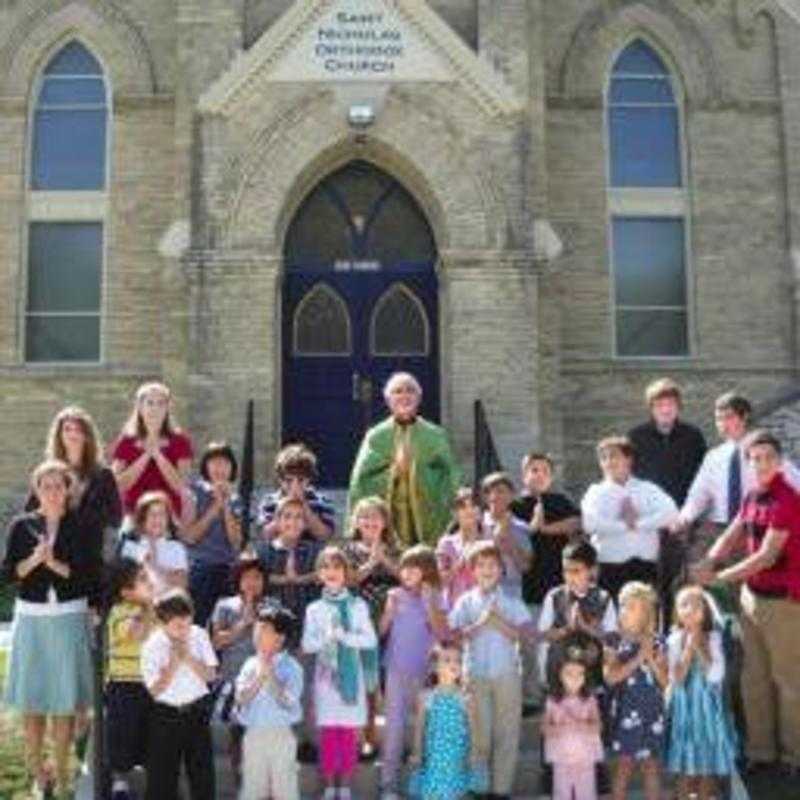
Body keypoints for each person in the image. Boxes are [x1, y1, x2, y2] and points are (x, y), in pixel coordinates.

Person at [692, 429, 800, 774]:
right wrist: (708, 560)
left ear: (780, 461)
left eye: (769, 457)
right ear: (749, 463)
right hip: (752, 599)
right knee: (753, 677)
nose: (763, 463)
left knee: (788, 680)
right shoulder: (753, 494)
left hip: (784, 604)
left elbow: (767, 556)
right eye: (756, 458)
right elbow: (731, 532)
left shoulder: (788, 499)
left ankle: (793, 756)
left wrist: (718, 577)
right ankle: (761, 751)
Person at [3, 460, 94, 799]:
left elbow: (87, 575)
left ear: (67, 489)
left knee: (64, 699)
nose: (53, 492)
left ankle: (64, 773)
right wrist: (34, 561)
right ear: (37, 489)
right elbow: (9, 575)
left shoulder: (80, 525)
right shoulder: (21, 526)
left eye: (59, 486)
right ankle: (39, 776)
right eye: (47, 486)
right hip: (31, 617)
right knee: (33, 699)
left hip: (69, 617)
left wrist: (54, 563)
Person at [448, 541, 532, 800]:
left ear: (501, 570)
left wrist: (500, 621)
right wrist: (483, 621)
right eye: (481, 565)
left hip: (507, 673)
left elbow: (525, 635)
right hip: (475, 674)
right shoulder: (465, 601)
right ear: (472, 570)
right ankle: (478, 787)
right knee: (479, 733)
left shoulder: (512, 600)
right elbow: (454, 635)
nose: (487, 570)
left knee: (507, 733)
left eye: (493, 565)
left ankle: (501, 790)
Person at [348, 372, 461, 548]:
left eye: (410, 391)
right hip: (389, 514)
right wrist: (394, 473)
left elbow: (450, 475)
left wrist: (418, 472)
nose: (404, 396)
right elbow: (362, 479)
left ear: (419, 398)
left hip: (427, 516)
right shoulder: (376, 436)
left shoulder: (435, 435)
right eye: (398, 391)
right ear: (388, 399)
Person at [627, 380, 707, 630]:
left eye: (670, 404)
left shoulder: (693, 437)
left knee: (678, 582)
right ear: (651, 408)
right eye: (660, 404)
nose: (665, 409)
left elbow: (702, 480)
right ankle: (648, 637)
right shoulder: (635, 437)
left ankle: (677, 633)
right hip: (648, 524)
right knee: (648, 582)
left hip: (682, 523)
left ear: (678, 407)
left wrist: (688, 517)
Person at [301, 546, 379, 800]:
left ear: (346, 572)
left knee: (347, 733)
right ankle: (329, 787)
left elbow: (369, 640)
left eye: (337, 567)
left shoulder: (357, 606)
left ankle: (344, 786)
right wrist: (325, 639)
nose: (331, 572)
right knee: (328, 734)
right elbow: (306, 644)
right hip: (325, 679)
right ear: (319, 573)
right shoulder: (314, 609)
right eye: (325, 567)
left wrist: (345, 636)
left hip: (350, 678)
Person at [27, 405, 123, 599]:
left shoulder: (103, 475)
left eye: (78, 429)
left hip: (90, 555)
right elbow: (30, 513)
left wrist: (86, 517)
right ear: (59, 435)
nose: (73, 434)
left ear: (87, 435)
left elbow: (116, 517)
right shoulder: (47, 472)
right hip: (56, 551)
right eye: (67, 429)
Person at [510, 452, 580, 712]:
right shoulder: (516, 504)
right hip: (525, 587)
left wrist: (545, 528)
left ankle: (558, 693)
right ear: (524, 474)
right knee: (527, 647)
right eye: (532, 470)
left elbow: (576, 522)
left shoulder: (560, 501)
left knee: (557, 646)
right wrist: (531, 527)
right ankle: (530, 697)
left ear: (550, 476)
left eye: (542, 470)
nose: (537, 474)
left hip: (556, 587)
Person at [257, 495, 322, 762]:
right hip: (276, 632)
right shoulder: (266, 550)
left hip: (305, 630)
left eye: (298, 517)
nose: (293, 522)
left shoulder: (313, 551)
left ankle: (305, 741)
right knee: (276, 686)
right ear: (278, 521)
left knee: (304, 688)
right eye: (287, 516)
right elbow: (259, 578)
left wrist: (300, 578)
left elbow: (321, 577)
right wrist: (290, 579)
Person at [379, 545, 448, 799]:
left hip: (425, 672)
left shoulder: (436, 596)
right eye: (403, 567)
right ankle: (388, 785)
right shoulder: (395, 594)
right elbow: (381, 631)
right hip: (396, 670)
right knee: (394, 728)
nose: (406, 572)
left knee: (425, 729)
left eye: (413, 567)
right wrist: (388, 612)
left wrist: (430, 604)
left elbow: (442, 634)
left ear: (427, 571)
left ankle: (424, 783)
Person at [140, 588, 217, 800]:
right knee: (162, 780)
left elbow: (211, 675)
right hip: (166, 715)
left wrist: (189, 658)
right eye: (177, 625)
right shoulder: (152, 646)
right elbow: (154, 690)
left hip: (196, 712)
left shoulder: (199, 635)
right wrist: (173, 664)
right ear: (163, 623)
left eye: (187, 622)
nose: (184, 629)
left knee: (203, 777)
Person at [581, 436, 677, 601]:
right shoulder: (595, 492)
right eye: (604, 458)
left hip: (644, 567)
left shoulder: (647, 489)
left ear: (629, 459)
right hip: (610, 568)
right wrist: (625, 526)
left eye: (614, 456)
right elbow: (590, 523)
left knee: (646, 620)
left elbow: (671, 513)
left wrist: (639, 524)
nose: (609, 461)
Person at [664, 586, 736, 800]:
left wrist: (700, 648)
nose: (691, 609)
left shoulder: (713, 637)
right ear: (677, 612)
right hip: (685, 712)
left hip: (708, 713)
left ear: (706, 611)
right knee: (686, 768)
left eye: (697, 604)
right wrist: (688, 649)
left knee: (707, 767)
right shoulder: (675, 639)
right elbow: (675, 678)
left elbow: (715, 675)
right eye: (684, 604)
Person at [342, 495, 400, 759]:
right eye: (364, 516)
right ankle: (367, 738)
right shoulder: (349, 550)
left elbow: (406, 577)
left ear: (385, 522)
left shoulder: (395, 547)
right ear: (356, 522)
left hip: (394, 622)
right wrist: (371, 562)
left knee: (391, 685)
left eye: (375, 516)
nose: (370, 521)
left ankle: (392, 742)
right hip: (361, 622)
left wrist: (384, 559)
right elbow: (349, 580)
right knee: (367, 684)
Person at [603, 582, 668, 800]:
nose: (625, 611)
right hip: (624, 714)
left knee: (651, 768)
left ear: (646, 613)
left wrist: (650, 657)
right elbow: (611, 677)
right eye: (623, 605)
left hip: (652, 714)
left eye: (633, 607)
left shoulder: (658, 641)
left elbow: (666, 681)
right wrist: (639, 658)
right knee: (623, 767)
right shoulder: (613, 640)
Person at [235, 601, 304, 800]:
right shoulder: (249, 664)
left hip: (281, 735)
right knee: (252, 788)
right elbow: (241, 697)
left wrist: (271, 675)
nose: (257, 632)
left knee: (285, 788)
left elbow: (288, 701)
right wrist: (259, 676)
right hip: (253, 733)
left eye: (264, 628)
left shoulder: (292, 668)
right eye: (257, 627)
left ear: (280, 638)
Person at [210, 554, 265, 783]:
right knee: (237, 731)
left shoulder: (272, 607)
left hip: (261, 680)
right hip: (233, 677)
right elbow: (216, 641)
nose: (252, 582)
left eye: (257, 577)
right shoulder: (224, 605)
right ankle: (241, 781)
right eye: (247, 577)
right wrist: (242, 623)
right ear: (238, 580)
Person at [104, 558, 156, 800]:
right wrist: (146, 607)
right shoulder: (120, 611)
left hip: (152, 685)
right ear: (125, 591)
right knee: (122, 735)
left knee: (149, 736)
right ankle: (120, 786)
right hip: (124, 684)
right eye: (141, 580)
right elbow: (135, 634)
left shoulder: (155, 610)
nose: (148, 583)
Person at [538, 539, 617, 694]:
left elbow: (612, 639)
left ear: (592, 570)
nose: (570, 577)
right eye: (566, 571)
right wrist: (567, 629)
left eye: (576, 571)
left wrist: (585, 627)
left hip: (592, 679)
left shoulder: (603, 598)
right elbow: (543, 635)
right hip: (560, 679)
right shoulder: (554, 596)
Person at [407, 642, 484, 800]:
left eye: (458, 660)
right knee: (434, 791)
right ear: (436, 667)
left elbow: (473, 728)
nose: (453, 664)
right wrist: (417, 752)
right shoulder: (427, 697)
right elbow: (420, 727)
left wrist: (475, 752)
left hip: (457, 756)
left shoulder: (465, 698)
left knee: (455, 791)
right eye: (447, 660)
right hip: (434, 755)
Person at [111, 381, 193, 521]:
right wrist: (146, 454)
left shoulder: (180, 441)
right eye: (150, 403)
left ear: (167, 408)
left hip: (168, 517)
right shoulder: (126, 441)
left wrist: (158, 455)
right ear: (140, 407)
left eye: (161, 403)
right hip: (134, 515)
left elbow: (180, 485)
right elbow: (118, 485)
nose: (155, 408)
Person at [183, 441, 243, 625]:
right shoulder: (194, 491)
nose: (219, 468)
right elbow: (190, 537)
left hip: (228, 569)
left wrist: (225, 505)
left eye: (225, 463)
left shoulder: (236, 499)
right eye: (214, 462)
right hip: (201, 568)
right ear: (205, 466)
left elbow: (236, 542)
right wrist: (215, 506)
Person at [542, 652, 604, 800]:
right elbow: (544, 728)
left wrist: (581, 726)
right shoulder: (552, 701)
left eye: (580, 674)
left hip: (585, 757)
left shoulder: (589, 700)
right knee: (561, 792)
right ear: (559, 676)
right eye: (569, 674)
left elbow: (598, 726)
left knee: (586, 792)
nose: (575, 679)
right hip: (561, 757)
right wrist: (560, 729)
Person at [256, 443, 335, 542]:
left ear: (309, 479)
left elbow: (325, 536)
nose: (295, 486)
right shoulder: (269, 501)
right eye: (289, 481)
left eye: (300, 480)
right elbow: (265, 536)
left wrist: (303, 505)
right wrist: (283, 508)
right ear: (280, 480)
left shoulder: (322, 501)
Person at [119, 491, 188, 594]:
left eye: (162, 514)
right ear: (142, 519)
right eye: (152, 514)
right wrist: (167, 574)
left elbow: (181, 585)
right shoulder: (129, 548)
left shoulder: (176, 548)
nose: (157, 519)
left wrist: (152, 565)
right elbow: (126, 586)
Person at [480, 472, 533, 598]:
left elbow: (525, 566)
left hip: (511, 591)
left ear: (511, 496)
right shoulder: (478, 525)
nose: (495, 496)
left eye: (501, 491)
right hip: (481, 590)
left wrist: (508, 539)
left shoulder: (521, 527)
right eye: (489, 492)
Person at [436, 487, 485, 609]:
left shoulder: (490, 541)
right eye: (463, 507)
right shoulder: (446, 543)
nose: (469, 510)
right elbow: (439, 582)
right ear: (455, 513)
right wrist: (459, 563)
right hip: (455, 610)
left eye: (473, 505)